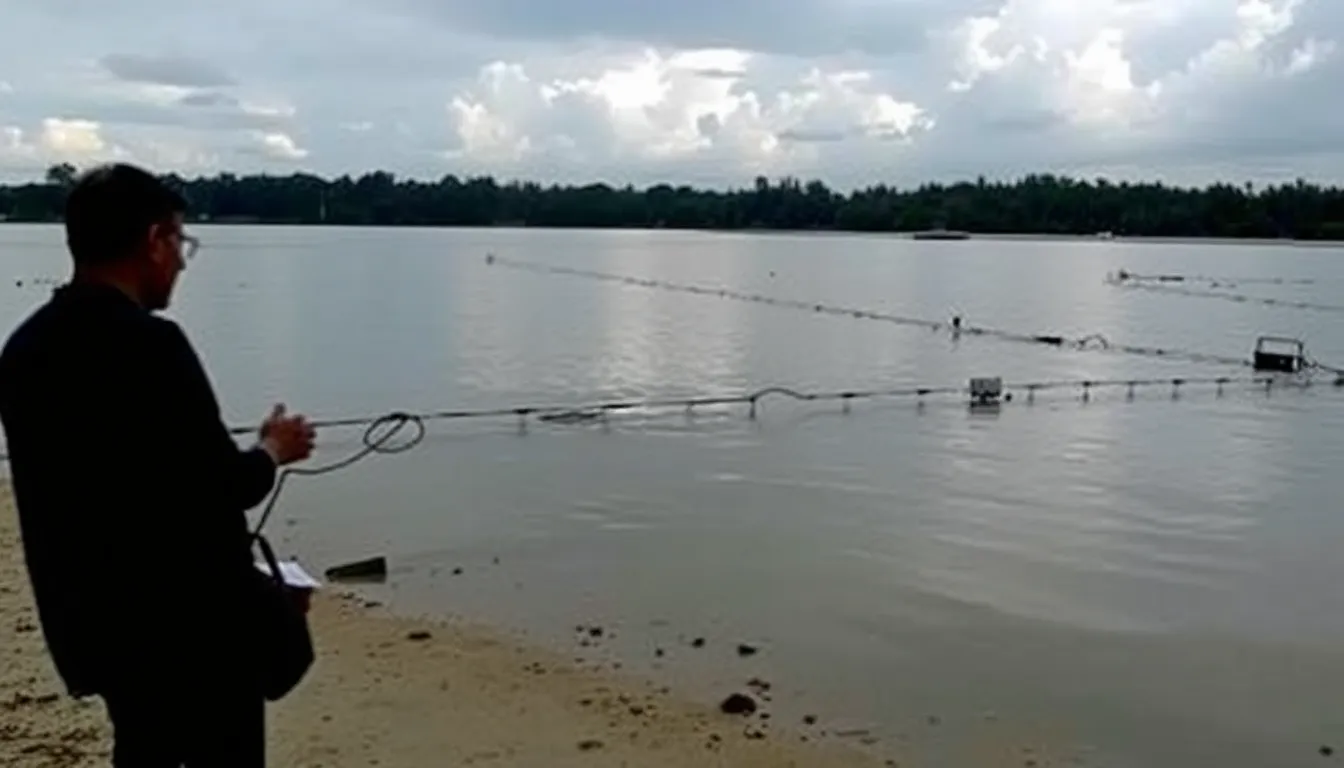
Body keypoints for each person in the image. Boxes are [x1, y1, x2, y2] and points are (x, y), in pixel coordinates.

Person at [0, 163, 316, 766]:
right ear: (153, 241)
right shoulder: (152, 346)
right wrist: (274, 449)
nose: (182, 262)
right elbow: (224, 486)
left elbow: (111, 486)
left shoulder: (24, 350)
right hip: (194, 634)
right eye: (180, 241)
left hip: (92, 626)